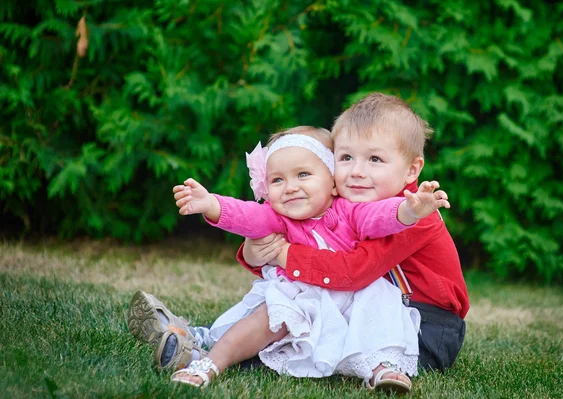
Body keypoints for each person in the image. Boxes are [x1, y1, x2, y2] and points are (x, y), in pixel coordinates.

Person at [134, 125, 450, 393]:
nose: (291, 188)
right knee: (271, 314)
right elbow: (248, 216)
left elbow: (380, 217)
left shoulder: (350, 209)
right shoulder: (279, 217)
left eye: (302, 175)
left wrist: (411, 210)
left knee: (379, 304)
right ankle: (209, 361)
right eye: (277, 180)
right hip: (303, 294)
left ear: (333, 183)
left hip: (356, 294)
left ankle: (382, 367)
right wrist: (211, 204)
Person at [239, 93, 469, 373]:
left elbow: (352, 273)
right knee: (293, 303)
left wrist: (285, 255)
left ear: (412, 169)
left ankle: (243, 356)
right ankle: (222, 341)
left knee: (314, 334)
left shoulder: (411, 214)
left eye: (375, 159)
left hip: (426, 326)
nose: (357, 171)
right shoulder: (346, 205)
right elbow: (303, 239)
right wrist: (255, 255)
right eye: (346, 157)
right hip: (370, 311)